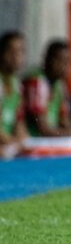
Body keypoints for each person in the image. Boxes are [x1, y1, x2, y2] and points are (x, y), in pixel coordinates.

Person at [0, 30, 27, 160]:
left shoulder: (16, 84)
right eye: (11, 51)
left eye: (21, 51)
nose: (16, 57)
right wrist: (15, 143)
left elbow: (19, 122)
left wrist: (23, 141)